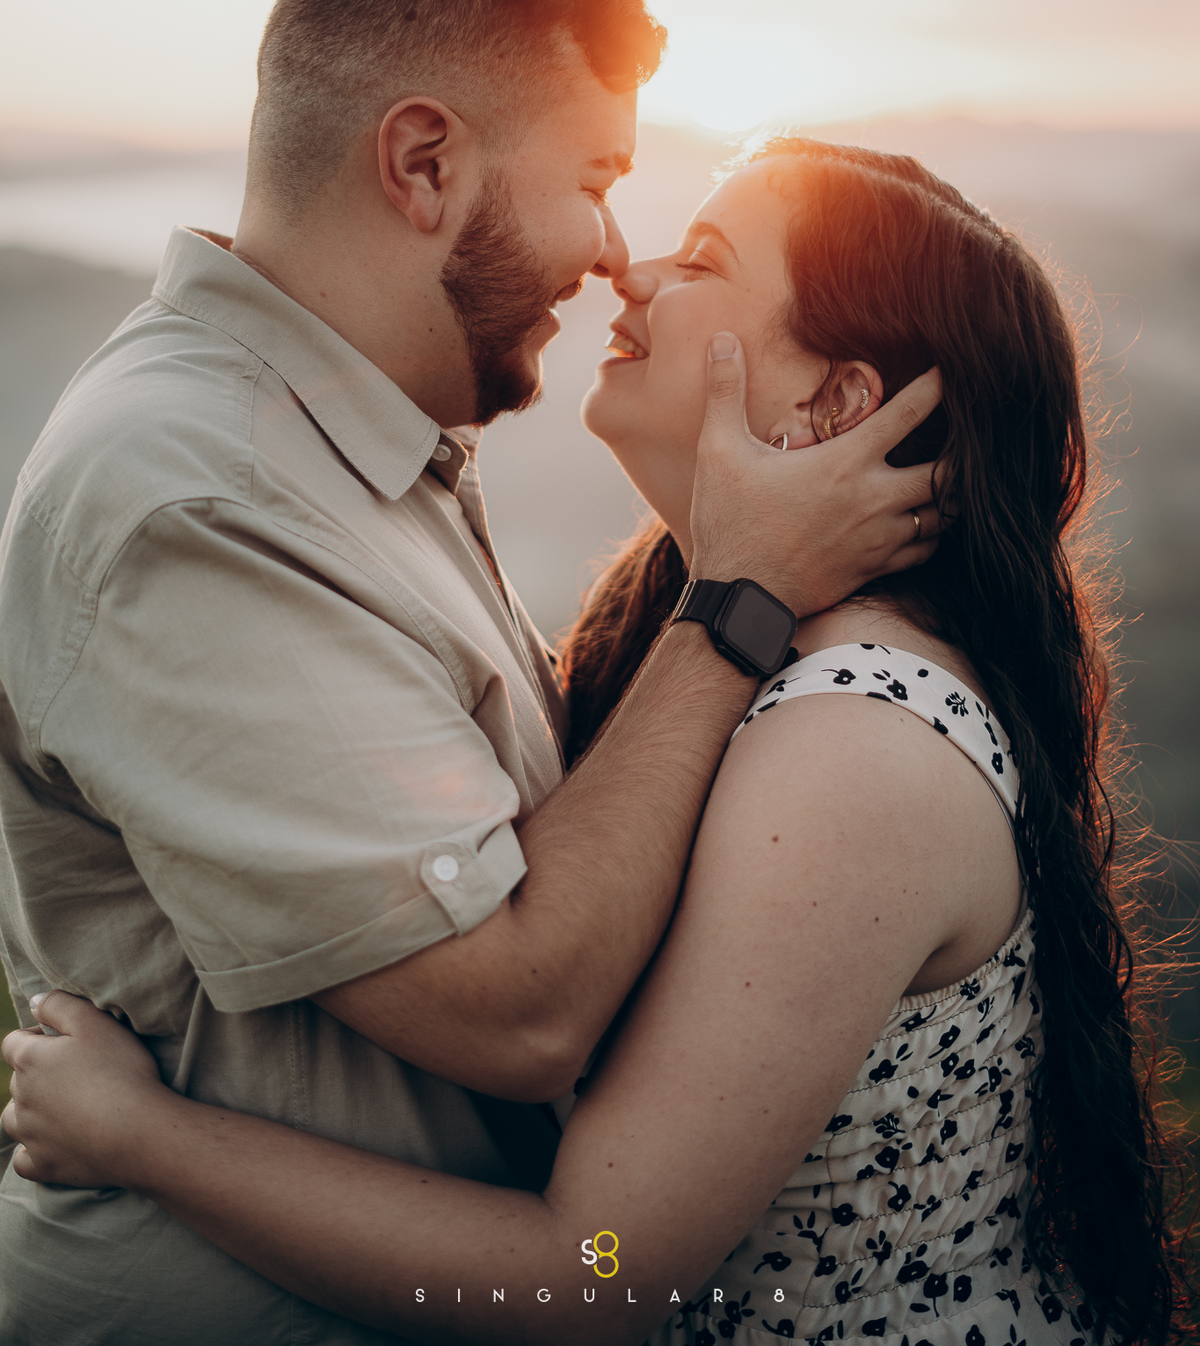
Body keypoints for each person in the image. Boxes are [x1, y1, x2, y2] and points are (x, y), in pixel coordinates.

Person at [5, 138, 1188, 1346]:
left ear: (833, 405)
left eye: (706, 261)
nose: (633, 273)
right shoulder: (721, 661)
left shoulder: (854, 747)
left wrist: (144, 1140)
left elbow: (589, 1275)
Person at [0, 0, 941, 1346]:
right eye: (596, 178)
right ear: (425, 161)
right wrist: (739, 600)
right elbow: (517, 1012)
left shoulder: (364, 438)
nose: (614, 254)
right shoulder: (199, 497)